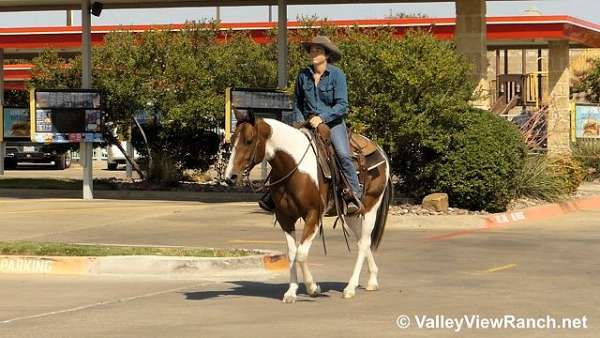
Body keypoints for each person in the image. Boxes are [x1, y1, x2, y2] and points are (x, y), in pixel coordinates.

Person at [259, 35, 363, 214]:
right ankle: (273, 193)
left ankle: (353, 194)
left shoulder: (337, 75)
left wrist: (322, 117)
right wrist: (299, 121)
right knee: (284, 152)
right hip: (307, 122)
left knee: (342, 154)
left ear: (327, 54)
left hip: (333, 123)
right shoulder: (303, 75)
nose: (313, 53)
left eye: (318, 50)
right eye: (311, 50)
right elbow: (298, 102)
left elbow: (342, 105)